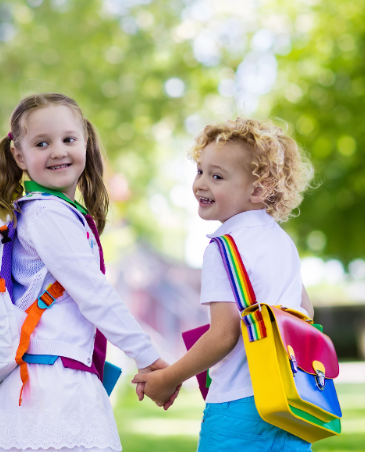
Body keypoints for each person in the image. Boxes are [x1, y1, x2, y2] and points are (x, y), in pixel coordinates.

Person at [0, 93, 175, 452]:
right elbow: (95, 296)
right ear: (19, 156)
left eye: (69, 140)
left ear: (86, 143)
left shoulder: (46, 212)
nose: (58, 151)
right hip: (51, 388)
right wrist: (150, 358)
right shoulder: (47, 215)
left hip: (45, 381)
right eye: (42, 143)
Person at [132, 117, 316, 451]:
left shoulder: (224, 247)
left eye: (217, 176)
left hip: (239, 405)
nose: (201, 184)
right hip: (293, 404)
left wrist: (168, 378)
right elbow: (306, 311)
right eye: (199, 171)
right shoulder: (282, 242)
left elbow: (223, 334)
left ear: (258, 189)